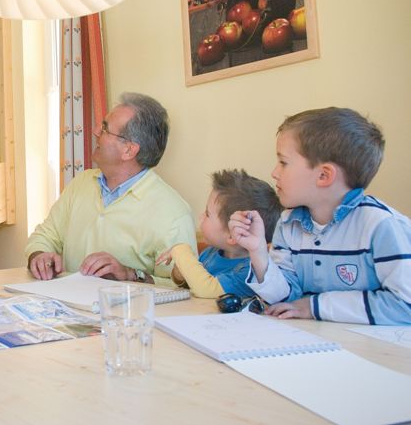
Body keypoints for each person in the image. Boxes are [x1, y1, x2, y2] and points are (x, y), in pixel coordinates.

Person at [229, 107, 411, 325]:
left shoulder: (381, 225)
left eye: (283, 162)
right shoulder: (288, 223)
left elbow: (405, 306)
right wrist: (258, 251)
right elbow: (285, 301)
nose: (274, 173)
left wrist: (315, 306)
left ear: (324, 175)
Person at [25, 92, 196, 283]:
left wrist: (130, 275)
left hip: (124, 304)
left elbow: (183, 287)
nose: (96, 131)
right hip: (63, 300)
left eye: (105, 128)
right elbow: (45, 236)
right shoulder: (81, 183)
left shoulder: (173, 213)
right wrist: (39, 255)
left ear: (129, 150)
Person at [156, 169, 281, 298]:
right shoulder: (211, 253)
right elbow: (192, 285)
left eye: (207, 213)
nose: (201, 217)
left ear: (234, 234)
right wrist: (180, 274)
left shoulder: (252, 271)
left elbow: (207, 290)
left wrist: (180, 250)